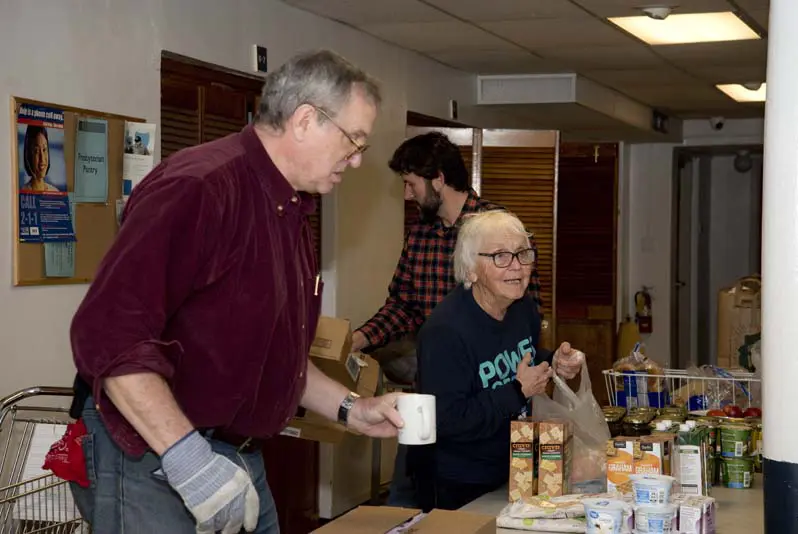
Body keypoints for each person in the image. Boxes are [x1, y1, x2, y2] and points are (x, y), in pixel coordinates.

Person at [67, 49, 405, 534]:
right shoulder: (200, 187)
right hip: (154, 457)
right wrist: (190, 462)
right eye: (353, 141)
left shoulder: (290, 210)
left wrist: (352, 408)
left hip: (237, 456)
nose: (354, 161)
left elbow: (273, 354)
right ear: (306, 119)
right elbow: (109, 335)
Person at [349, 132, 543, 507]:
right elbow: (402, 305)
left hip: (489, 400)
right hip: (435, 396)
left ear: (437, 178)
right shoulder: (420, 233)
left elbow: (525, 311)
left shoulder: (498, 232)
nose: (407, 195)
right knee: (417, 496)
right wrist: (358, 339)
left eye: (411, 184)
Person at [411, 210, 585, 511]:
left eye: (522, 253)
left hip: (515, 469)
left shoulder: (522, 307)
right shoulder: (444, 333)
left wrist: (555, 362)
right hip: (460, 486)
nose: (517, 267)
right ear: (471, 270)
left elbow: (523, 360)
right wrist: (518, 391)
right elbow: (448, 421)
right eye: (501, 256)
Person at [20, 125, 60, 192]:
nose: (42, 158)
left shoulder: (55, 191)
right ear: (29, 155)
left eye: (44, 150)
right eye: (36, 151)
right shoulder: (23, 192)